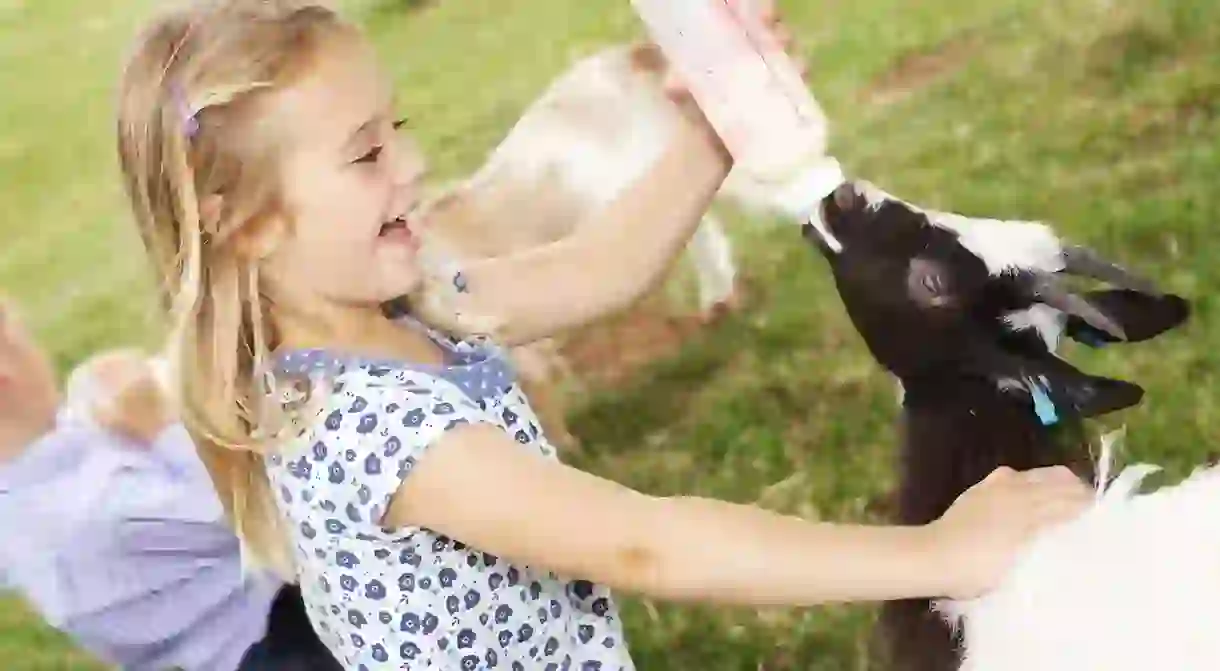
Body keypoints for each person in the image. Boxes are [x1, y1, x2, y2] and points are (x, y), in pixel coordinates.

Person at [115, 1, 1094, 669]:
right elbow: (643, 544)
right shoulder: (363, 429)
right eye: (366, 152)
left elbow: (593, 270)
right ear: (242, 223)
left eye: (396, 125)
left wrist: (716, 129)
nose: (410, 164)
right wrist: (936, 552)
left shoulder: (403, 296)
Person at [0, 302, 341, 670]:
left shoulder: (40, 481)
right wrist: (160, 425)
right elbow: (271, 514)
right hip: (302, 636)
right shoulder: (91, 514)